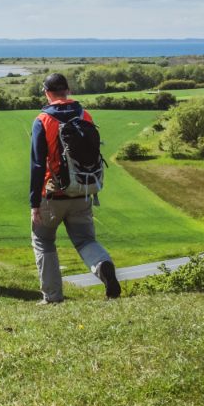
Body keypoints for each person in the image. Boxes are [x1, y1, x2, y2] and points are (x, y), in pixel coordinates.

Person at [30, 73, 120, 303]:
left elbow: (38, 164)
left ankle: (52, 297)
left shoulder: (42, 120)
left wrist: (34, 203)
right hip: (83, 190)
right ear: (68, 90)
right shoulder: (85, 115)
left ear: (46, 92)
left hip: (52, 194)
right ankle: (103, 267)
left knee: (43, 241)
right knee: (85, 240)